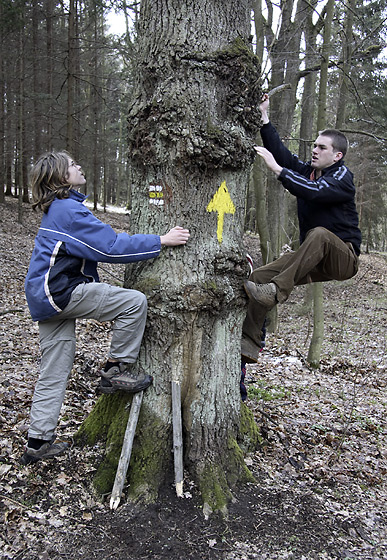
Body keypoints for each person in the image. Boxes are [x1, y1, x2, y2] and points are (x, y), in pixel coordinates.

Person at [21, 151, 190, 465]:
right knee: (133, 302)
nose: (79, 165)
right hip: (59, 292)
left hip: (44, 297)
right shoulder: (68, 210)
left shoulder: (58, 210)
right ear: (60, 177)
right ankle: (115, 370)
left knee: (54, 371)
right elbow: (110, 246)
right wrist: (161, 240)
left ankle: (38, 441)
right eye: (73, 165)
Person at [241, 94, 361, 364]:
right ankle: (250, 341)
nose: (315, 150)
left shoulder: (342, 177)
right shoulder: (310, 171)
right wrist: (264, 120)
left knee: (319, 234)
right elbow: (283, 157)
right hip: (314, 256)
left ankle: (277, 291)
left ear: (337, 155)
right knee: (259, 275)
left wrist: (278, 171)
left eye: (321, 147)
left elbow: (315, 193)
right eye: (315, 146)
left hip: (343, 258)